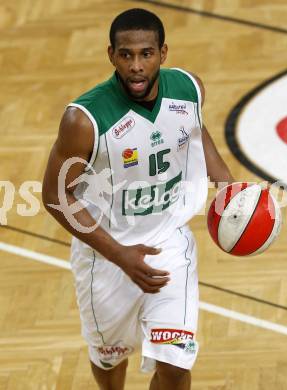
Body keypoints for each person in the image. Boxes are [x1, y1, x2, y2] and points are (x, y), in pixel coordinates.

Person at [42, 8, 234, 390]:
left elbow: (194, 131)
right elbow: (54, 195)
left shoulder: (188, 89)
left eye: (145, 53)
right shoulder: (84, 119)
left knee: (175, 367)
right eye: (125, 55)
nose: (135, 66)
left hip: (169, 243)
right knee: (110, 357)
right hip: (105, 256)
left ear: (163, 53)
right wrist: (119, 255)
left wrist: (227, 185)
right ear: (111, 55)